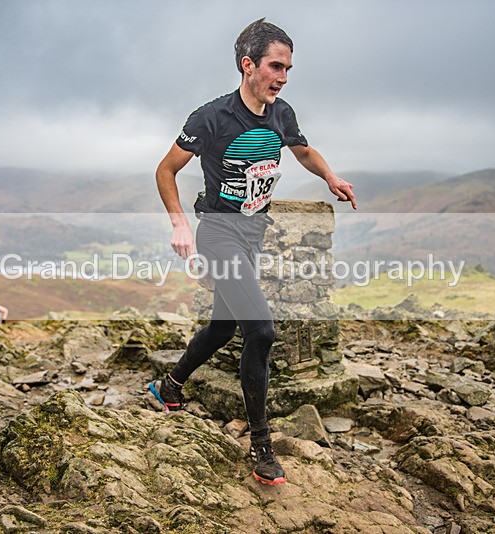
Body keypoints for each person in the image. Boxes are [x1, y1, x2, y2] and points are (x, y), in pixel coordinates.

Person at [149, 18, 356, 486]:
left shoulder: (282, 114)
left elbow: (302, 151)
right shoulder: (211, 118)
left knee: (224, 326)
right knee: (261, 330)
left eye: (288, 69)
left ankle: (169, 386)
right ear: (248, 65)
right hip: (218, 234)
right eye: (275, 67)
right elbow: (165, 170)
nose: (282, 78)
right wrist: (179, 223)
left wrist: (330, 176)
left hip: (252, 235)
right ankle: (262, 444)